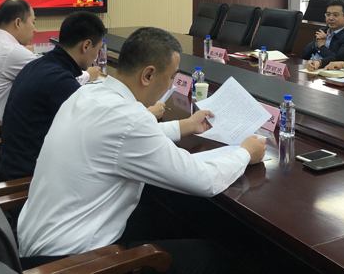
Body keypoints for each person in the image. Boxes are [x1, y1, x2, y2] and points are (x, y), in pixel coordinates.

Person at [18, 27, 266, 273]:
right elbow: (205, 181)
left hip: (33, 244)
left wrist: (185, 126)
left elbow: (123, 139)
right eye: (171, 77)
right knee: (208, 256)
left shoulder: (88, 93)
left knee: (154, 212)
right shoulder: (130, 120)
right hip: (72, 262)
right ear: (148, 75)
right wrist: (245, 153)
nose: (171, 85)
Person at [0, 12, 106, 182]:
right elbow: (97, 128)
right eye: (97, 50)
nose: (95, 58)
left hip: (12, 166)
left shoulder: (38, 65)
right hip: (28, 180)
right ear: (86, 46)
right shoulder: (60, 81)